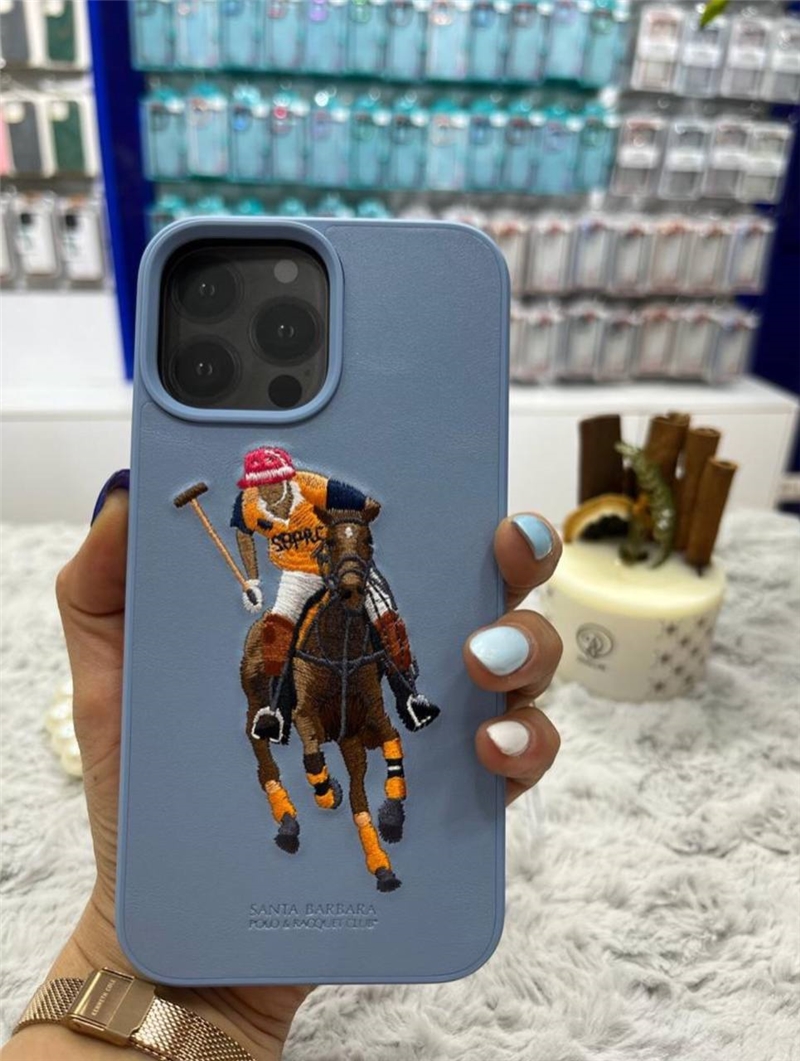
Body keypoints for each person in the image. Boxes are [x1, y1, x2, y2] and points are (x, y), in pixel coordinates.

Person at [2, 471, 563, 1061]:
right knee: (278, 627)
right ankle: (273, 707)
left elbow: (359, 505)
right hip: (299, 575)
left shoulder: (312, 488)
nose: (271, 494)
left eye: (276, 486)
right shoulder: (249, 506)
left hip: (345, 561)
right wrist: (250, 578)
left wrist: (381, 516)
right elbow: (245, 536)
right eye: (263, 488)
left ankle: (409, 693)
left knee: (386, 617)